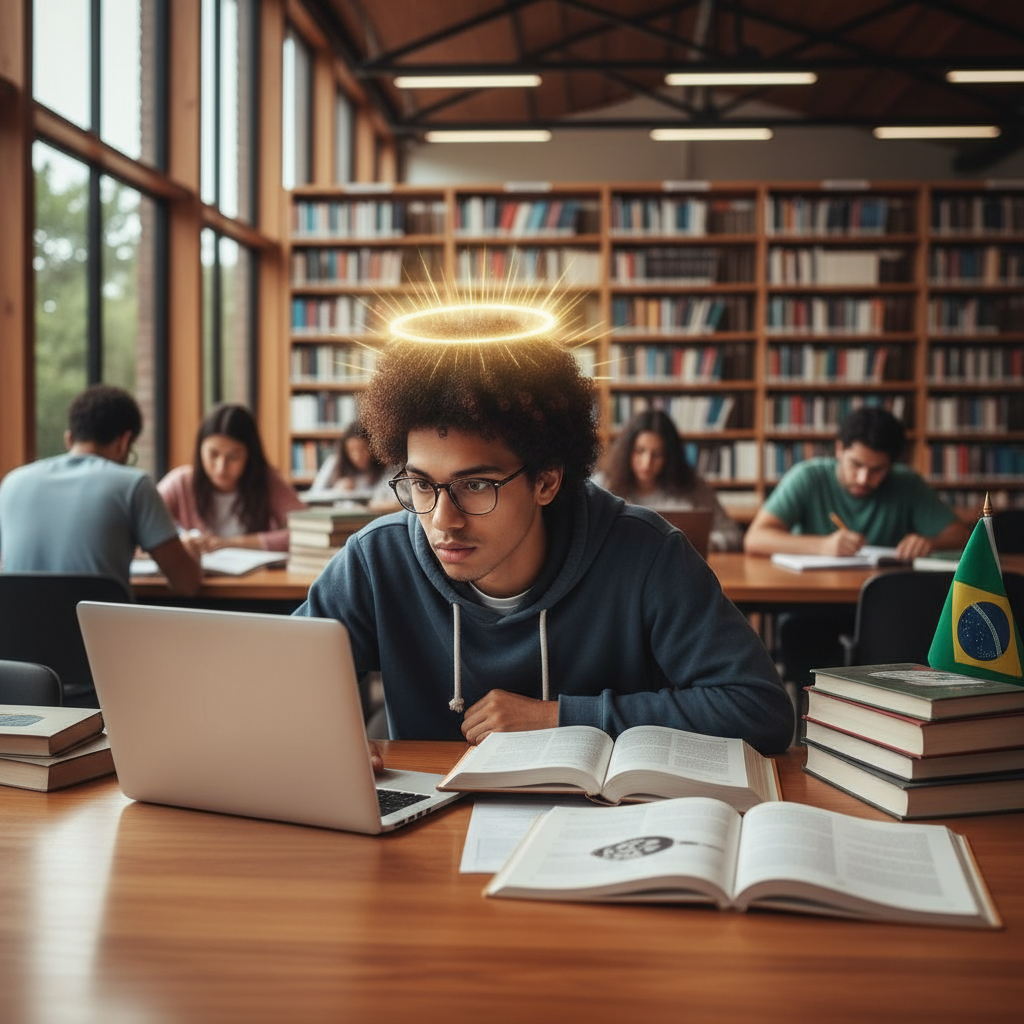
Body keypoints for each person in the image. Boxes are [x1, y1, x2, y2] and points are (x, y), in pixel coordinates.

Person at [295, 321, 793, 757]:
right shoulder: (376, 560)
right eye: (422, 484)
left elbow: (760, 710)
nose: (442, 519)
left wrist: (559, 717)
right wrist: (322, 742)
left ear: (546, 481)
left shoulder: (646, 554)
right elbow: (268, 688)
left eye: (475, 485)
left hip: (597, 833)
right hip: (429, 835)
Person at [743, 405, 970, 683]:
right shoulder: (808, 477)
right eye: (856, 465)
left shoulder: (906, 483)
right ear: (839, 449)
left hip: (883, 607)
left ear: (893, 463)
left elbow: (961, 535)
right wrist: (822, 546)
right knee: (804, 638)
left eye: (877, 469)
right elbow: (755, 538)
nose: (864, 479)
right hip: (811, 604)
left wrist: (929, 542)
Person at [0, 384, 201, 595]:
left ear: (69, 439)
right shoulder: (133, 484)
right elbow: (186, 585)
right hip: (97, 628)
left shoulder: (13, 482)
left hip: (17, 627)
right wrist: (192, 552)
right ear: (124, 442)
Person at [158, 404, 305, 553]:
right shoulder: (180, 483)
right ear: (200, 450)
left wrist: (229, 543)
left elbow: (307, 533)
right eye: (213, 455)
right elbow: (140, 529)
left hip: (257, 575)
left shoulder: (267, 481)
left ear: (250, 455)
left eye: (233, 457)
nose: (221, 467)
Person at [594, 409, 743, 552]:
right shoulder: (603, 486)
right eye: (639, 451)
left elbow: (732, 534)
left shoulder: (692, 487)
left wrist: (707, 543)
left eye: (657, 454)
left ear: (669, 457)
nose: (647, 463)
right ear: (626, 452)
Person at [309, 419, 400, 511]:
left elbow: (391, 499)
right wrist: (336, 490)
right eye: (351, 450)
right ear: (345, 451)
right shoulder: (335, 463)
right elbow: (314, 495)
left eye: (363, 449)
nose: (357, 456)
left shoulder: (386, 467)